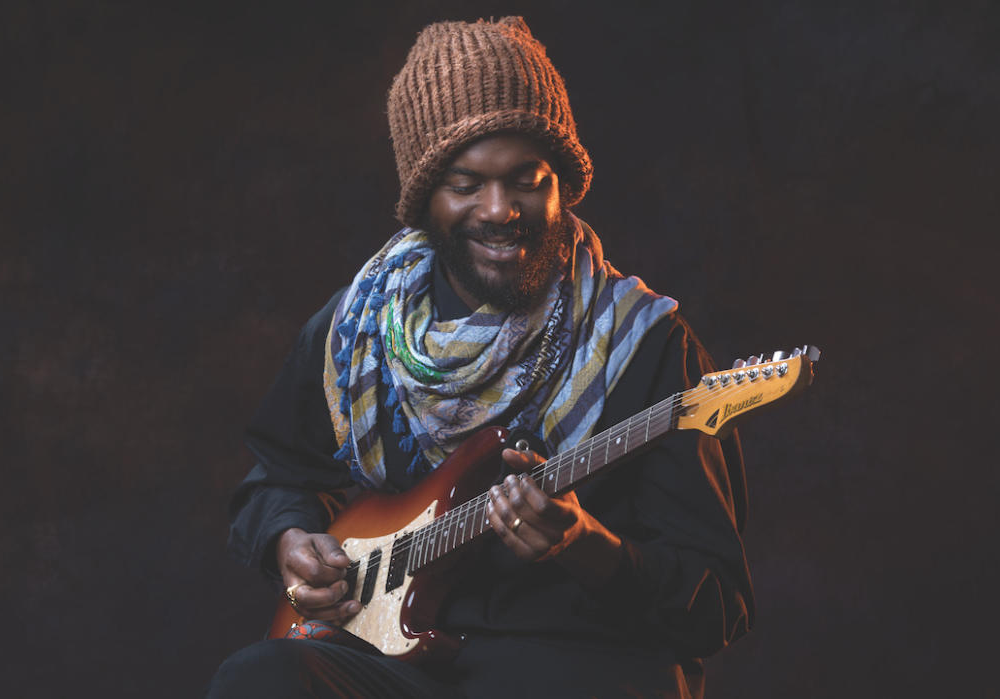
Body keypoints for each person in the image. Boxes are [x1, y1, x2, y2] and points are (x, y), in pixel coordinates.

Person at [207, 17, 753, 698]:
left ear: (563, 184)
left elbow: (716, 603)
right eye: (466, 184)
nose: (500, 210)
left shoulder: (648, 346)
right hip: (406, 666)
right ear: (423, 199)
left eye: (527, 180)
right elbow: (276, 476)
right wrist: (288, 537)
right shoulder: (359, 330)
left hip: (582, 665)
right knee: (257, 678)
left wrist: (587, 545)